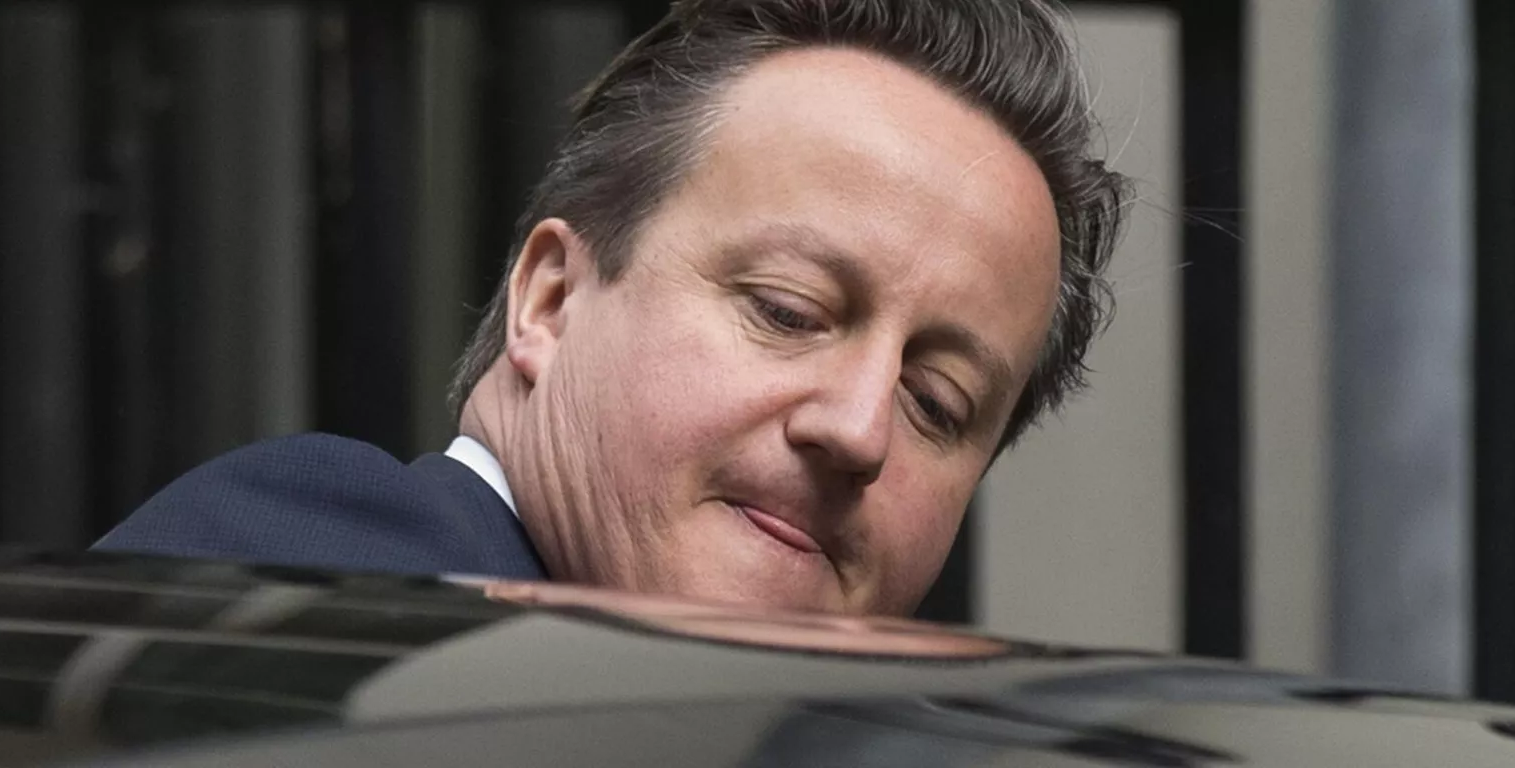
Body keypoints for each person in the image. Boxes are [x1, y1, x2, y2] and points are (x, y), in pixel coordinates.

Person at [95, 0, 1128, 617]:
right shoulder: (317, 582)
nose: (859, 429)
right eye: (787, 309)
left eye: (938, 404)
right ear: (549, 300)